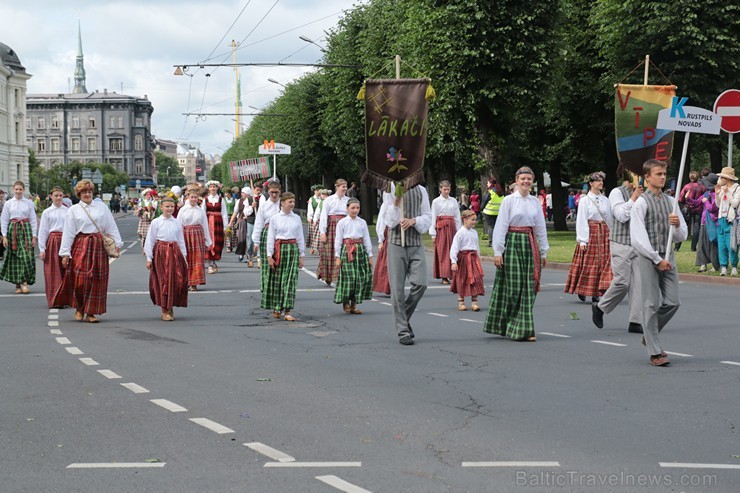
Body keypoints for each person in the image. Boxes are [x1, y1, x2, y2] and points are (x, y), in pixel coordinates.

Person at [630, 159, 688, 367]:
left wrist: (678, 224)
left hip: (668, 254)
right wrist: (656, 259)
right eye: (658, 174)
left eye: (664, 174)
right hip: (649, 257)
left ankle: (649, 333)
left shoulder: (671, 202)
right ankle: (655, 351)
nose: (662, 177)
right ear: (647, 177)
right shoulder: (641, 203)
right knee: (651, 303)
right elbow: (637, 237)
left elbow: (682, 235)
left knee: (673, 302)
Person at [484, 167, 548, 342]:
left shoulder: (535, 202)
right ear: (517, 180)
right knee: (513, 288)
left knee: (529, 287)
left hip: (529, 243)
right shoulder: (509, 201)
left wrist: (543, 251)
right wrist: (498, 251)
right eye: (523, 179)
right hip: (512, 243)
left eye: (529, 178)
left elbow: (540, 227)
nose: (526, 182)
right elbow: (501, 226)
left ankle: (523, 328)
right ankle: (508, 323)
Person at [59, 180, 122, 323]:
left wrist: (117, 243)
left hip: (98, 246)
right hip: (81, 245)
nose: (87, 194)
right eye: (84, 192)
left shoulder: (101, 207)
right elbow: (68, 233)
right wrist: (65, 253)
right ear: (79, 194)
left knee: (97, 280)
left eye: (89, 192)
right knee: (80, 280)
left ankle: (91, 312)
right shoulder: (73, 210)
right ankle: (79, 307)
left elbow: (111, 226)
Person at [382, 182, 432, 345]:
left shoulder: (421, 190)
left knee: (421, 284)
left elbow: (427, 217)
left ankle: (403, 318)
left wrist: (414, 221)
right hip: (396, 243)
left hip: (415, 242)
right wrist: (396, 201)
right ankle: (403, 330)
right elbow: (389, 222)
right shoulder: (389, 189)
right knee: (397, 290)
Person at [592, 178, 644, 334]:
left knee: (639, 284)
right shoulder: (617, 192)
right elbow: (621, 215)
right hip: (621, 243)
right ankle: (601, 307)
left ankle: (636, 321)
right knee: (622, 282)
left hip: (639, 243)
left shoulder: (645, 193)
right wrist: (634, 197)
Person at [565, 171, 613, 303]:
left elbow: (609, 218)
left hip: (604, 233)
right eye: (598, 181)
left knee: (603, 263)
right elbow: (581, 220)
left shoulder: (605, 200)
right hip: (591, 233)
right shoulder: (585, 200)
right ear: (591, 183)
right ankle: (583, 288)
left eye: (602, 181)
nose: (601, 183)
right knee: (589, 264)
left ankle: (598, 291)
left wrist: (612, 235)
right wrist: (582, 240)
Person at [145, 196, 188, 321]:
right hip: (161, 252)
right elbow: (150, 240)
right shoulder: (156, 222)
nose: (169, 209)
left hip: (174, 252)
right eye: (167, 206)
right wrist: (149, 257)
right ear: (161, 207)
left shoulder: (177, 222)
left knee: (174, 279)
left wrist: (184, 257)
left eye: (172, 207)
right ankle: (164, 309)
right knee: (162, 280)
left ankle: (170, 305)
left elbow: (181, 241)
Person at [264, 192, 305, 321]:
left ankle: (288, 310)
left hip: (292, 249)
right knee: (279, 280)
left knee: (290, 281)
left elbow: (300, 237)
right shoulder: (275, 218)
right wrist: (269, 255)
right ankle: (277, 307)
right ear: (282, 203)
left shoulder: (297, 218)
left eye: (293, 202)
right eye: (290, 202)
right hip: (279, 249)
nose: (292, 204)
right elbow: (270, 238)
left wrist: (301, 255)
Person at [334, 197, 373, 314]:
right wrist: (337, 256)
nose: (355, 210)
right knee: (349, 278)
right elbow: (338, 240)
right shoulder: (342, 222)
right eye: (353, 208)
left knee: (359, 278)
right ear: (347, 209)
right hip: (347, 250)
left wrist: (370, 255)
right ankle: (345, 301)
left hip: (359, 251)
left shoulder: (362, 222)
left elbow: (366, 239)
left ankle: (354, 304)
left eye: (357, 208)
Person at [0, 181, 38, 294]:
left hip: (26, 230)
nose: (18, 191)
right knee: (15, 257)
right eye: (16, 189)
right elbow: (4, 220)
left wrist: (34, 236)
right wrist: (5, 236)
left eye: (20, 189)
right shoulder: (8, 203)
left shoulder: (29, 203)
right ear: (13, 189)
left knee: (26, 256)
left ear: (23, 190)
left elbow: (33, 219)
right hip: (13, 230)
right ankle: (17, 284)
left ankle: (24, 282)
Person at [38, 186, 72, 308]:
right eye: (56, 195)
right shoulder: (47, 212)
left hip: (66, 240)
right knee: (53, 271)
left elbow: (73, 228)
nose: (58, 198)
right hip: (53, 242)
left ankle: (66, 299)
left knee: (66, 269)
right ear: (51, 196)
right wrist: (42, 249)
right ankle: (55, 299)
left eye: (60, 195)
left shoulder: (68, 210)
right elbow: (43, 231)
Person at [450, 210, 484, 311]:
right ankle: (461, 302)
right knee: (462, 279)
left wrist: (478, 256)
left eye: (475, 220)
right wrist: (454, 261)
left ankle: (474, 302)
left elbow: (476, 246)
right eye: (472, 220)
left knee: (476, 279)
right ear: (465, 220)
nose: (474, 222)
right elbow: (454, 248)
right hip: (463, 259)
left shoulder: (474, 233)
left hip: (473, 258)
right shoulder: (460, 233)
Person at [179, 186, 211, 291]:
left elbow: (205, 225)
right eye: (192, 197)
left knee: (197, 259)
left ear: (198, 198)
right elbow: (178, 225)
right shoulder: (183, 210)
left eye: (195, 197)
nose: (193, 199)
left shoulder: (200, 210)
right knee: (186, 258)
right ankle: (186, 282)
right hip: (186, 235)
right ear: (188, 197)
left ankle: (194, 283)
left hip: (198, 235)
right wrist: (178, 240)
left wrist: (208, 241)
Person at [252, 180, 282, 293]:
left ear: (280, 192)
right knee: (266, 261)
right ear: (268, 192)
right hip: (267, 232)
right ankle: (265, 285)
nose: (274, 195)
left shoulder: (283, 204)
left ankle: (278, 286)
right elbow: (259, 223)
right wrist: (256, 241)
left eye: (276, 192)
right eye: (272, 192)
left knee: (278, 260)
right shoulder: (264, 206)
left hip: (280, 235)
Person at [429, 180, 462, 285]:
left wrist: (459, 230)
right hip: (441, 228)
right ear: (440, 189)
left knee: (454, 249)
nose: (447, 191)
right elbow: (433, 216)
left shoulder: (453, 201)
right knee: (443, 251)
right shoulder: (436, 201)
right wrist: (433, 233)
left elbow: (457, 216)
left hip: (451, 227)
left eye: (448, 189)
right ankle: (444, 275)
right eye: (445, 189)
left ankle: (454, 274)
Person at [318, 179, 349, 286]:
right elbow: (323, 216)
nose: (345, 188)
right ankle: (328, 276)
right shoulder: (329, 200)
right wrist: (323, 232)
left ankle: (343, 275)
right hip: (332, 227)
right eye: (343, 186)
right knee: (330, 252)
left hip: (345, 227)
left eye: (346, 186)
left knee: (345, 251)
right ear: (337, 187)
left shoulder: (348, 200)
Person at [689, 173, 720, 272]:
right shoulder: (706, 193)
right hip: (703, 222)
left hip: (712, 222)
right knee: (701, 244)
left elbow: (713, 208)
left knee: (712, 244)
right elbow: (697, 202)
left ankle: (715, 265)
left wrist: (706, 201)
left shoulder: (716, 194)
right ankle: (703, 264)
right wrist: (688, 198)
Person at [716, 167, 740, 276]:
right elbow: (717, 204)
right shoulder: (722, 188)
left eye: (722, 177)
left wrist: (728, 193)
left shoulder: (737, 188)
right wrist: (717, 194)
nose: (720, 178)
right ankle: (723, 267)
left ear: (727, 178)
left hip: (731, 220)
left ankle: (734, 266)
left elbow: (735, 203)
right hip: (721, 218)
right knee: (722, 244)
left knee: (732, 244)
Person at [204, 180, 228, 274]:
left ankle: (213, 261)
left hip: (218, 222)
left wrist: (225, 227)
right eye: (211, 187)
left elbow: (224, 213)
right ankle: (210, 263)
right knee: (209, 242)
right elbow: (202, 212)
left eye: (214, 187)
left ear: (217, 188)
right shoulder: (206, 199)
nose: (213, 188)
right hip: (209, 223)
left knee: (217, 242)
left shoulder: (221, 199)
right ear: (208, 189)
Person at [678, 171, 705, 252]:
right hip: (698, 208)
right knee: (696, 228)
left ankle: (677, 246)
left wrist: (684, 204)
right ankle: (693, 247)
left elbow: (680, 198)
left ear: (690, 177)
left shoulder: (687, 186)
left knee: (683, 226)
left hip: (687, 208)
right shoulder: (702, 187)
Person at [228, 187, 254, 264]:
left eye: (243, 193)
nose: (242, 194)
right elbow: (235, 212)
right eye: (242, 192)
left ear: (248, 194)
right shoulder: (239, 201)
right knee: (241, 238)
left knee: (249, 239)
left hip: (251, 221)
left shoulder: (253, 201)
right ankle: (241, 254)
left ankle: (249, 255)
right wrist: (230, 223)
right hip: (242, 221)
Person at [372, 200, 391, 295]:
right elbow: (381, 222)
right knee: (386, 262)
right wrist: (381, 240)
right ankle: (386, 286)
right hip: (389, 234)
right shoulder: (386, 205)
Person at [481, 179, 503, 248]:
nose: (487, 185)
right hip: (498, 212)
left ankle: (491, 242)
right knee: (497, 227)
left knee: (490, 227)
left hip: (489, 212)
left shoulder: (489, 192)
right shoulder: (500, 192)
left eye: (487, 183)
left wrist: (481, 209)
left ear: (490, 184)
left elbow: (484, 202)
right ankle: (497, 241)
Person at [311, 189, 329, 254]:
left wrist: (315, 220)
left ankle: (319, 249)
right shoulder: (329, 200)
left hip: (322, 220)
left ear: (323, 195)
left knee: (319, 235)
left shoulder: (323, 202)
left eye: (321, 194)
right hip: (328, 220)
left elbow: (317, 212)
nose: (320, 196)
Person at [306, 185, 322, 255]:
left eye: (319, 190)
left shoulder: (322, 199)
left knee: (319, 234)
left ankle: (319, 249)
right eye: (317, 190)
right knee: (312, 234)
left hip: (320, 219)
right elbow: (310, 208)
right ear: (314, 191)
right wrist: (310, 217)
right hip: (313, 219)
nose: (318, 192)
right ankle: (312, 247)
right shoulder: (311, 199)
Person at [223, 187, 237, 253]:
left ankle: (232, 245)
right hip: (226, 216)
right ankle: (228, 246)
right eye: (225, 193)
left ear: (229, 193)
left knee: (233, 232)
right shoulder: (223, 200)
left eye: (227, 193)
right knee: (227, 232)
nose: (226, 194)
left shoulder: (235, 200)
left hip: (233, 217)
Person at [0, 189, 6, 261]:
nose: (1, 195)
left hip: (3, 222)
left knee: (4, 238)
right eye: (0, 194)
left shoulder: (4, 202)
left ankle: (1, 253)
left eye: (2, 194)